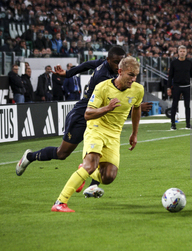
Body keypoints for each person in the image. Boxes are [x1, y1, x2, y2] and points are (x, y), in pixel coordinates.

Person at [16, 46, 152, 198]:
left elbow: (86, 65)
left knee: (100, 152)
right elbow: (116, 99)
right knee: (62, 153)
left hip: (101, 119)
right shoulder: (104, 78)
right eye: (116, 62)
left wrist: (68, 73)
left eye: (121, 62)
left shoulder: (106, 65)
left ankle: (92, 183)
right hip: (83, 114)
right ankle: (30, 157)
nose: (118, 65)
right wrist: (134, 104)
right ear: (110, 62)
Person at [51, 56, 144, 212]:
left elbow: (137, 108)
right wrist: (107, 108)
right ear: (120, 72)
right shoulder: (102, 87)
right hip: (97, 128)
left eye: (135, 75)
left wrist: (134, 133)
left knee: (108, 177)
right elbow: (88, 114)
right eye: (130, 75)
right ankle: (60, 202)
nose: (133, 79)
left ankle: (84, 171)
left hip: (114, 135)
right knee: (91, 164)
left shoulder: (138, 89)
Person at [167, 45, 192, 130]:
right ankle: (173, 124)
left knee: (187, 106)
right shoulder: (174, 63)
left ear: (186, 52)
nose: (182, 53)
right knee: (174, 105)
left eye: (184, 51)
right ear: (178, 52)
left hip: (187, 87)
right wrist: (168, 87)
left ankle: (188, 124)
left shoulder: (189, 63)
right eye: (181, 51)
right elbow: (170, 76)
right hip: (176, 86)